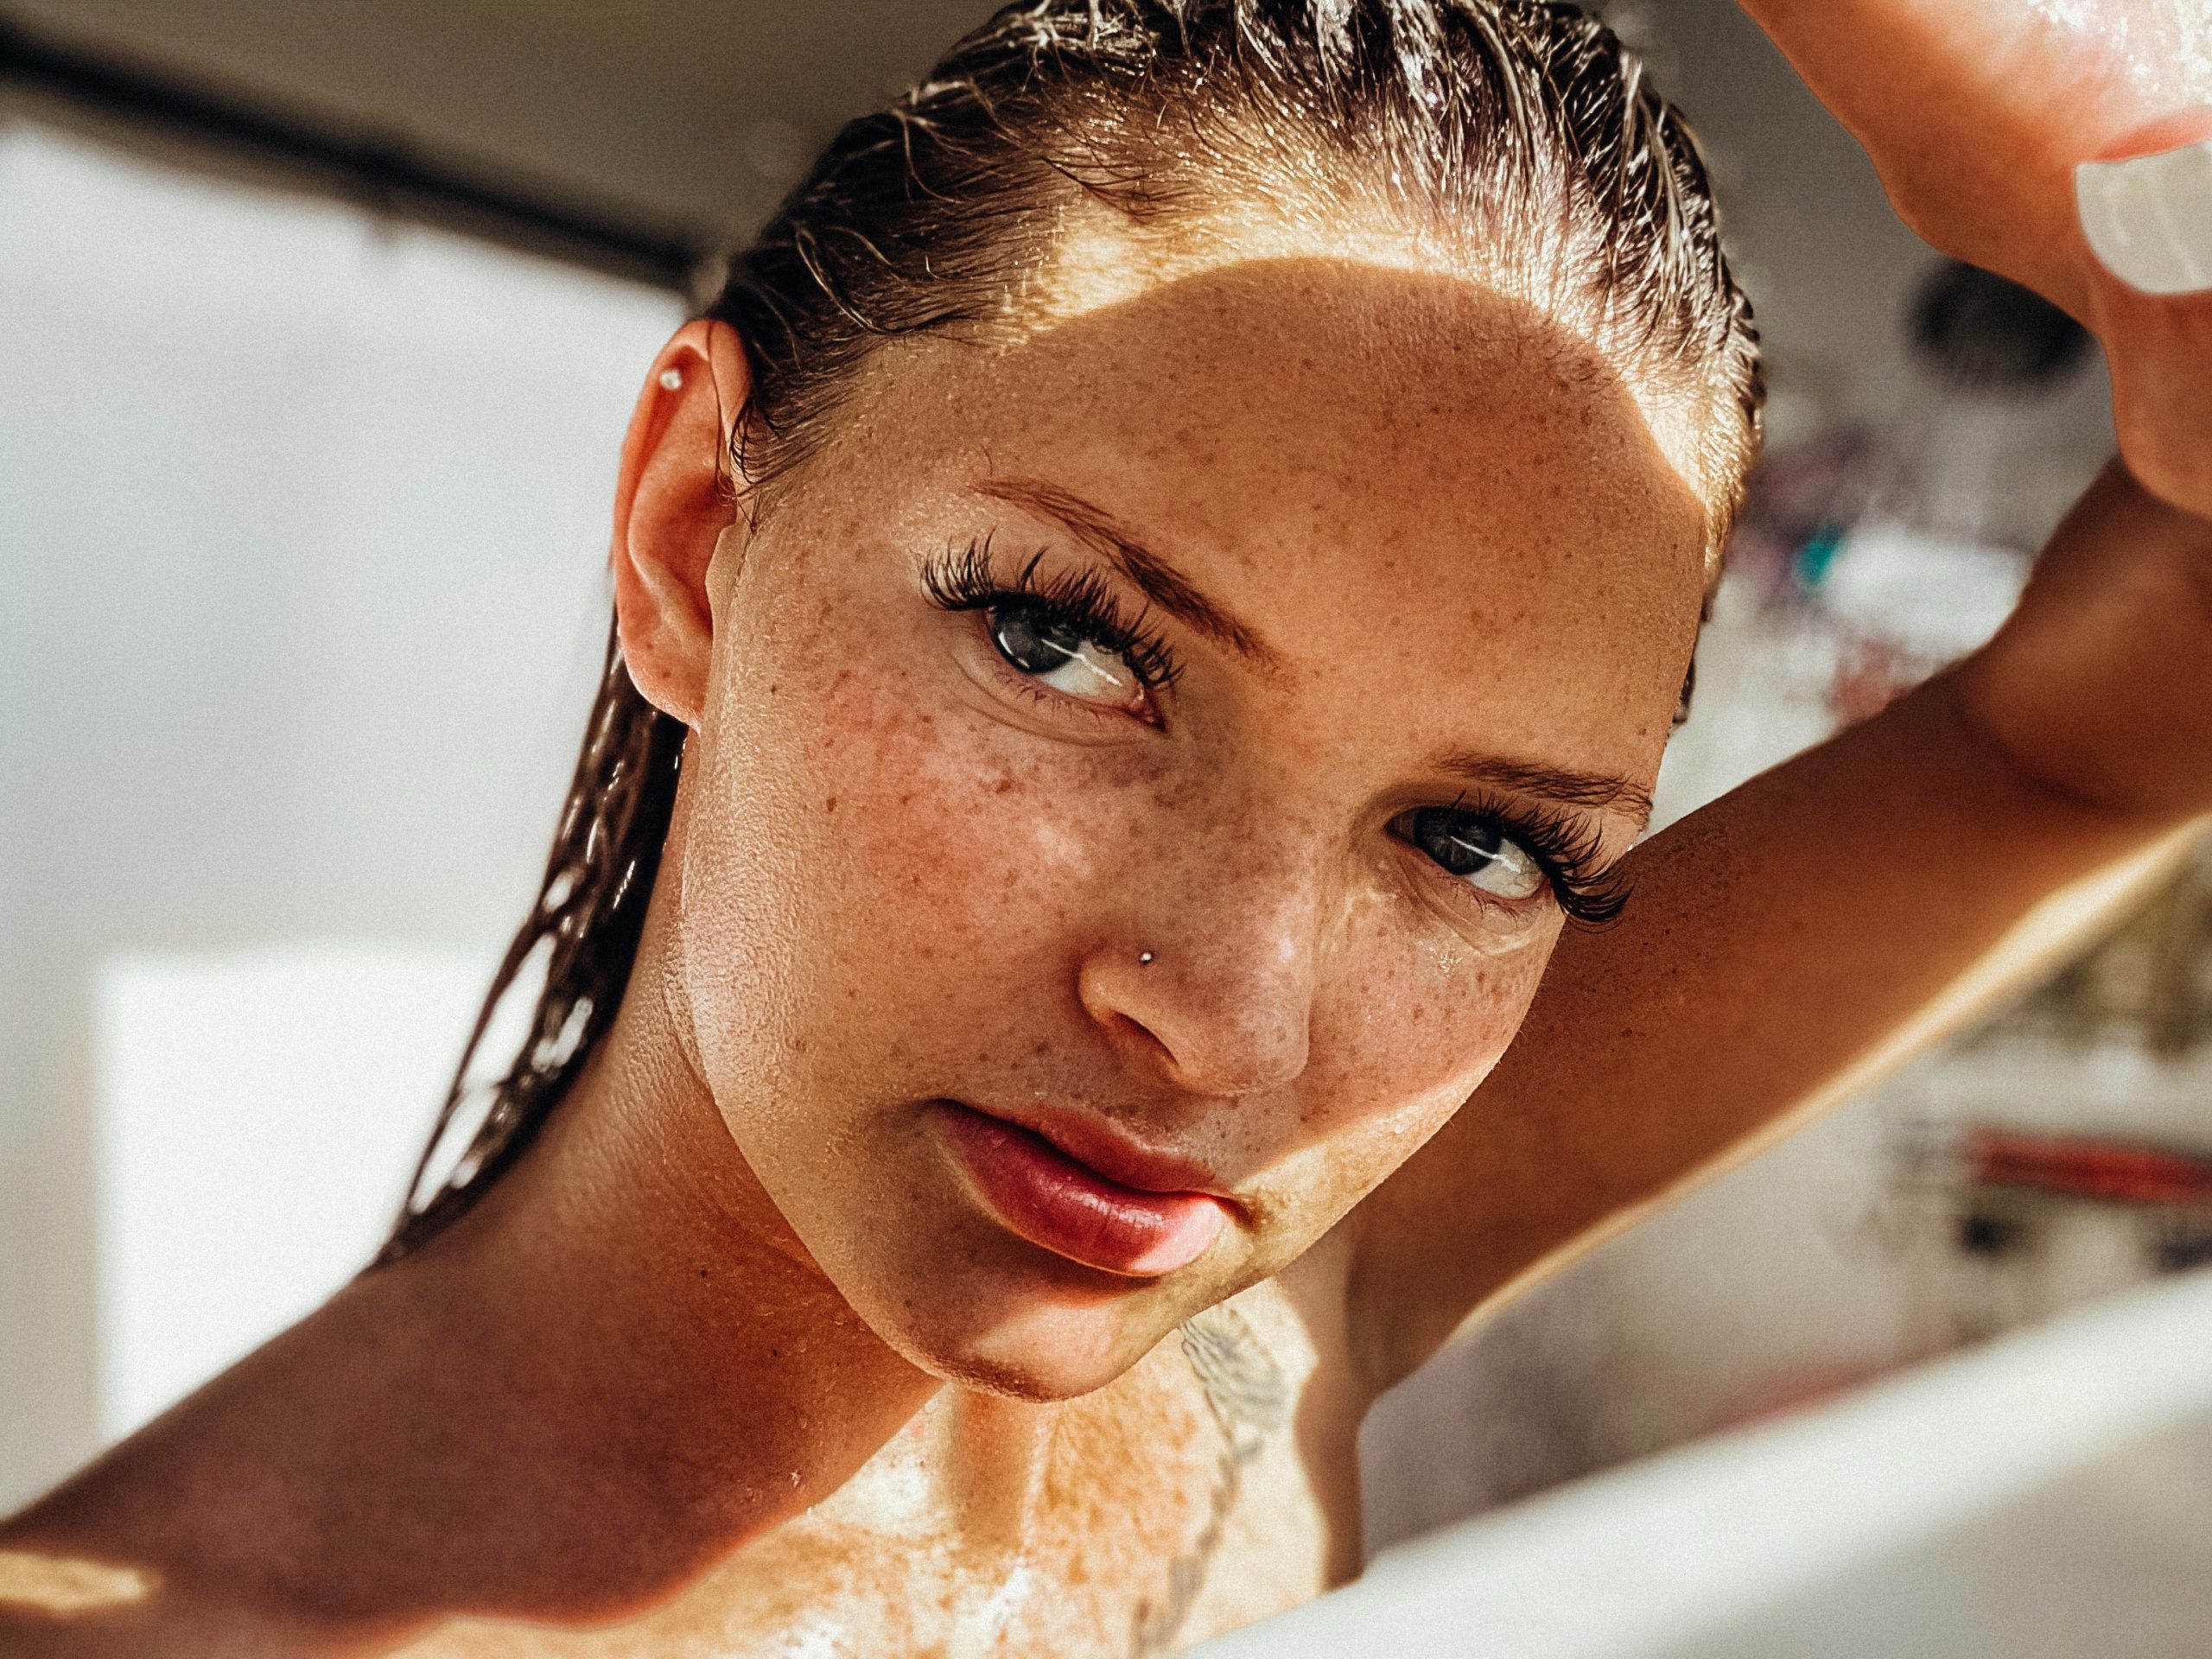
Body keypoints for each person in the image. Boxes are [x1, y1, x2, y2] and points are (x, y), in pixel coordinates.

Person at [3, 1, 2209, 1653]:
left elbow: (2089, 731)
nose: (1227, 1025)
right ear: (693, 535)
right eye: (1066, 648)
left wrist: (2129, 158)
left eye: (1475, 842)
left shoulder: (1262, 1295)